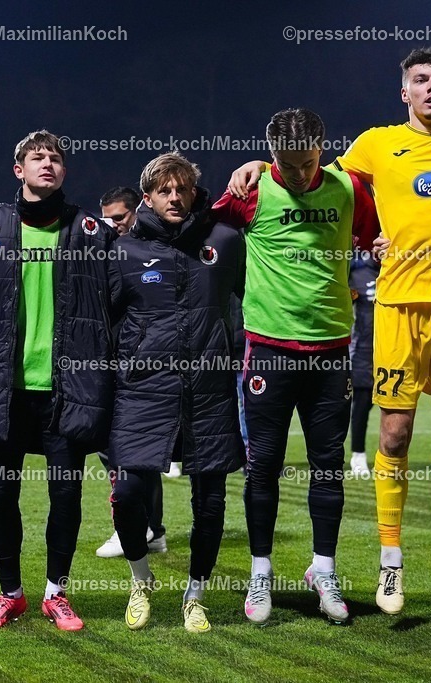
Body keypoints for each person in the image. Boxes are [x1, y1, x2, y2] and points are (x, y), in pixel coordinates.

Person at [230, 48, 431, 614]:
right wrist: (254, 166)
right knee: (394, 439)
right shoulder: (376, 145)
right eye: (420, 81)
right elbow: (306, 173)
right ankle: (390, 565)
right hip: (396, 309)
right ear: (404, 92)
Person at [213, 108, 378, 625]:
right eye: (288, 163)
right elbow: (204, 236)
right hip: (269, 351)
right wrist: (254, 166)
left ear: (323, 150)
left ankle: (322, 569)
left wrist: (382, 247)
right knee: (263, 464)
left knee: (327, 464)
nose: (301, 174)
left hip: (330, 351)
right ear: (272, 154)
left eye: (308, 163)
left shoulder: (350, 188)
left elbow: (375, 237)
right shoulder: (253, 189)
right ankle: (261, 571)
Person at [0, 130, 114, 631]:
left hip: (69, 390)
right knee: (2, 495)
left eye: (57, 158)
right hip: (6, 390)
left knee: (65, 495)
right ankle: (10, 594)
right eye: (37, 157)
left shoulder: (91, 232)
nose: (48, 164)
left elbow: (119, 297)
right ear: (18, 170)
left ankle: (56, 593)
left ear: (64, 171)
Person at [108, 152, 244, 633]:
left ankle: (196, 595)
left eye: (181, 189)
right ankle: (140, 580)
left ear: (192, 194)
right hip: (142, 392)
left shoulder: (224, 242)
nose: (173, 197)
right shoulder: (121, 252)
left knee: (210, 503)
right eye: (163, 190)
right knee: (126, 494)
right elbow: (105, 324)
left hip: (209, 391)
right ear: (147, 197)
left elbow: (254, 302)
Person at [96, 185, 169, 559]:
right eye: (107, 219)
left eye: (119, 218)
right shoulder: (109, 252)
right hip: (111, 364)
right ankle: (152, 529)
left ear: (138, 210)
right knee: (134, 457)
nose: (113, 225)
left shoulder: (151, 251)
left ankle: (135, 528)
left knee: (123, 454)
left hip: (139, 370)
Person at [348, 253, 378, 475]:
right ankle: (358, 455)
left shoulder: (395, 269)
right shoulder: (356, 271)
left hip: (393, 348)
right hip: (362, 350)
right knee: (362, 402)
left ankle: (391, 456)